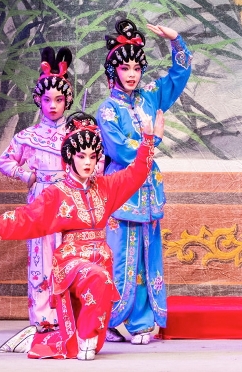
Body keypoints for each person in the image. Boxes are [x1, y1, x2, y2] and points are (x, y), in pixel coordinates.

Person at [0, 112, 156, 360]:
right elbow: (25, 218)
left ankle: (50, 339)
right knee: (98, 278)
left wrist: (148, 138)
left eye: (93, 156)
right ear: (69, 157)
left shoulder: (106, 187)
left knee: (91, 310)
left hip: (101, 259)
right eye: (81, 156)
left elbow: (137, 173)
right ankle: (86, 338)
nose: (88, 162)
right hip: (71, 262)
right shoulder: (57, 193)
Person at [97, 19, 191, 344]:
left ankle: (141, 322)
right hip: (122, 194)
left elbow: (179, 75)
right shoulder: (108, 111)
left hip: (148, 194)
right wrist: (154, 139)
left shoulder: (149, 97)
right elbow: (122, 151)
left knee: (146, 261)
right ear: (113, 71)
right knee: (120, 259)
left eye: (137, 68)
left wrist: (176, 41)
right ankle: (111, 321)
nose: (132, 74)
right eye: (125, 68)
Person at [0, 47, 76, 332]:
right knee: (40, 259)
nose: (52, 105)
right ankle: (42, 317)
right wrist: (27, 175)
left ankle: (69, 315)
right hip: (40, 201)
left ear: (67, 101)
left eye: (58, 99)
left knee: (69, 256)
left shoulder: (75, 135)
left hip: (69, 201)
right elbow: (4, 161)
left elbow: (97, 163)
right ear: (38, 101)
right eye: (47, 99)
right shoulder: (27, 136)